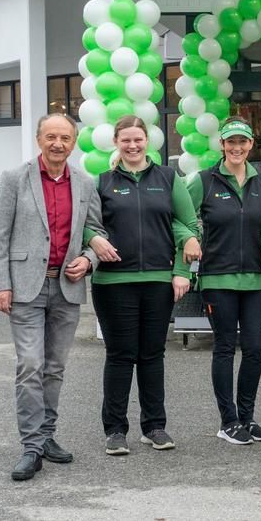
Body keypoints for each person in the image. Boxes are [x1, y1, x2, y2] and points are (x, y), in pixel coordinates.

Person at [0, 113, 103, 481]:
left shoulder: (84, 183)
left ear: (74, 142)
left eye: (65, 138)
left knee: (55, 368)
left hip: (66, 288)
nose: (58, 144)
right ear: (39, 139)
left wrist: (89, 258)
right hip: (25, 288)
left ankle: (48, 436)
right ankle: (31, 447)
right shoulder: (14, 180)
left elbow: (96, 230)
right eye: (51, 136)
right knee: (30, 364)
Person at [84, 116, 196, 457]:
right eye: (126, 140)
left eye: (138, 140)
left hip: (159, 281)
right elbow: (84, 224)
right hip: (113, 282)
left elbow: (187, 222)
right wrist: (93, 239)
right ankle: (115, 430)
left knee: (152, 355)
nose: (133, 146)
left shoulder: (167, 177)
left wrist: (181, 271)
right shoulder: (101, 182)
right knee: (120, 355)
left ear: (148, 141)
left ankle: (154, 427)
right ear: (116, 142)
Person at [186, 117, 261, 445]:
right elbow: (180, 214)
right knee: (224, 347)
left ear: (251, 144)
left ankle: (247, 419)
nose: (236, 148)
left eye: (242, 142)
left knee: (253, 350)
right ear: (221, 145)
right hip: (218, 279)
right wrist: (192, 237)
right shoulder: (204, 180)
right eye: (230, 142)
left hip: (255, 279)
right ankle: (228, 421)